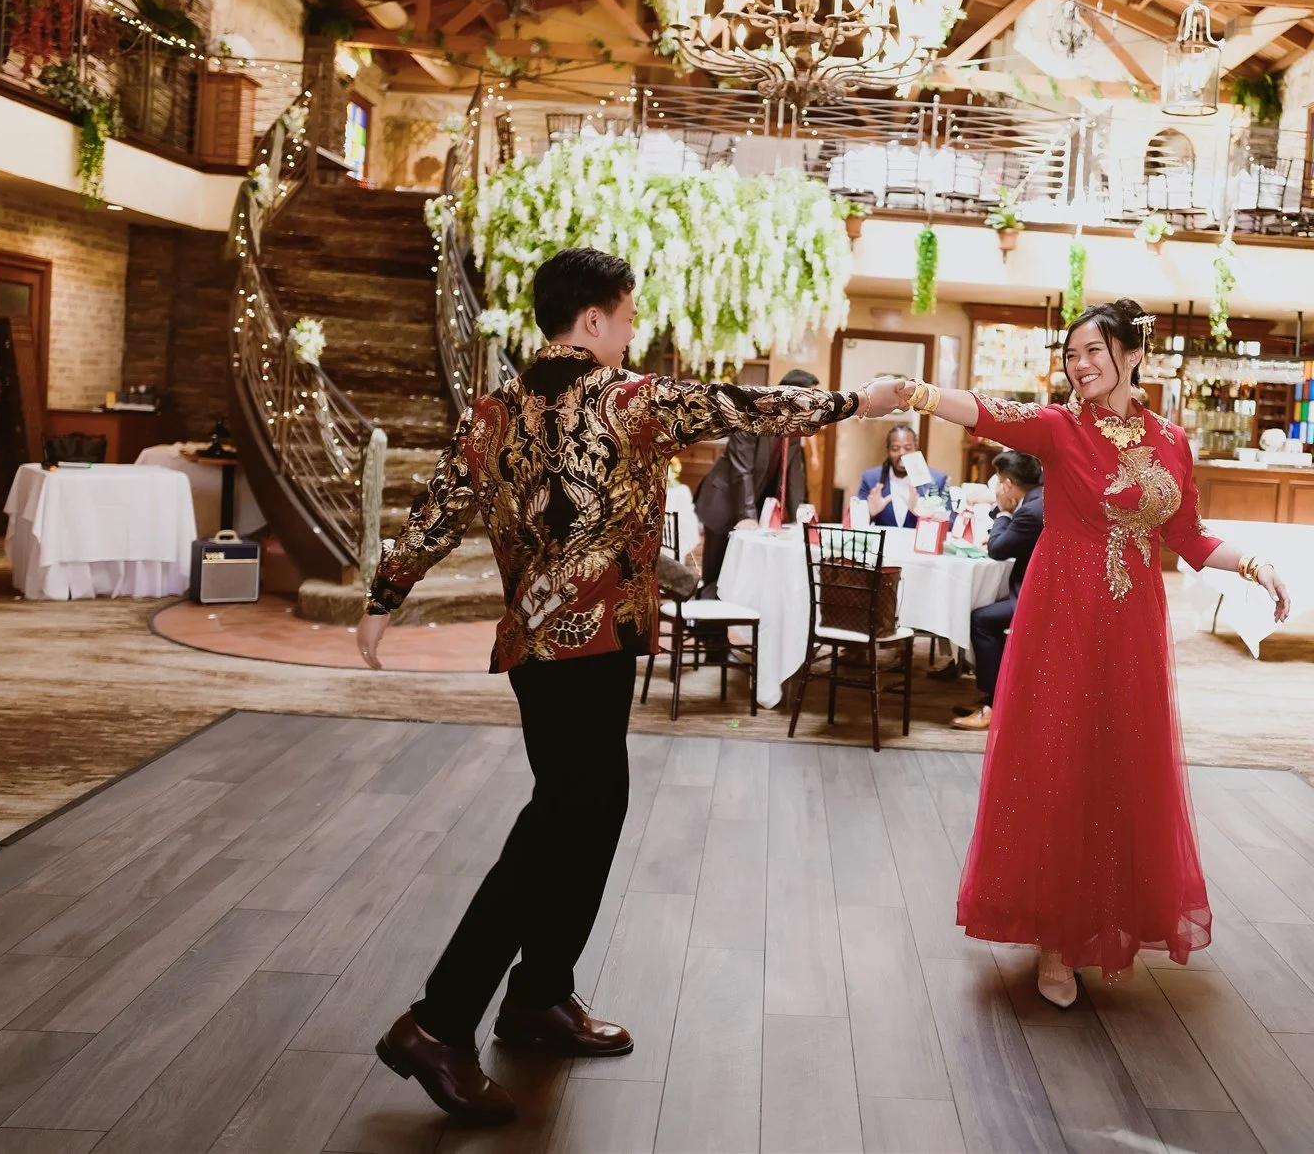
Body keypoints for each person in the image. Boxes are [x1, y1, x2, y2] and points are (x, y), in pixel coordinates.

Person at [356, 248, 910, 1124]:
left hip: (535, 654)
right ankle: (437, 1021)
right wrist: (857, 400)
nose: (633, 329)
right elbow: (748, 405)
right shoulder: (630, 398)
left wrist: (385, 597)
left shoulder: (493, 411)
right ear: (592, 322)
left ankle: (539, 993)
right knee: (557, 826)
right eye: (626, 314)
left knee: (589, 809)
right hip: (594, 647)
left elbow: (438, 504)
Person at [892, 298, 1290, 1008]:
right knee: (1060, 763)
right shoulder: (1059, 427)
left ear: (1131, 354)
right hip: (1063, 618)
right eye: (1072, 354)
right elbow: (988, 411)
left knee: (1118, 766)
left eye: (1093, 352)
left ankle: (1101, 922)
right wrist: (919, 393)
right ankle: (1054, 940)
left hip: (1133, 623)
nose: (1079, 366)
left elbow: (1191, 537)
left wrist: (1256, 564)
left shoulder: (1171, 440)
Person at [693, 367, 822, 587]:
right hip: (724, 502)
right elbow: (740, 469)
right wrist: (747, 515)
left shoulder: (794, 427)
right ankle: (703, 619)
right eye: (813, 400)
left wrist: (801, 518)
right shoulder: (751, 417)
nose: (817, 406)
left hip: (753, 501)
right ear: (793, 397)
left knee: (743, 579)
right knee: (716, 578)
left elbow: (795, 474)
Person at [951, 450, 1044, 731]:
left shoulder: (1030, 510)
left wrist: (1004, 510)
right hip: (1037, 588)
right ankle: (1003, 695)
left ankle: (993, 704)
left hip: (1037, 598)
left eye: (999, 481)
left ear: (1008, 484)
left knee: (981, 619)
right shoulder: (1039, 498)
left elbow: (997, 549)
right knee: (987, 611)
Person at [855, 423, 949, 527]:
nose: (902, 453)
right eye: (895, 449)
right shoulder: (871, 478)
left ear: (916, 448)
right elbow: (855, 522)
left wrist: (925, 514)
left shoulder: (936, 480)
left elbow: (950, 524)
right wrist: (870, 513)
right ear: (888, 451)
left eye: (908, 448)